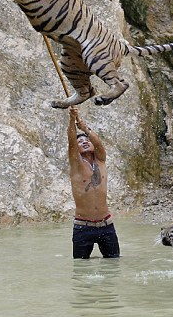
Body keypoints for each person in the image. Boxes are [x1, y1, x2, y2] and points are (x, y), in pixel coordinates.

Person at [67, 106, 120, 258]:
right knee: (81, 270)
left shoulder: (101, 160)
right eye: (80, 141)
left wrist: (84, 128)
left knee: (114, 265)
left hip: (106, 225)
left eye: (86, 140)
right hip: (83, 227)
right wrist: (72, 119)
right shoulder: (76, 164)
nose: (84, 142)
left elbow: (99, 144)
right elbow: (71, 142)